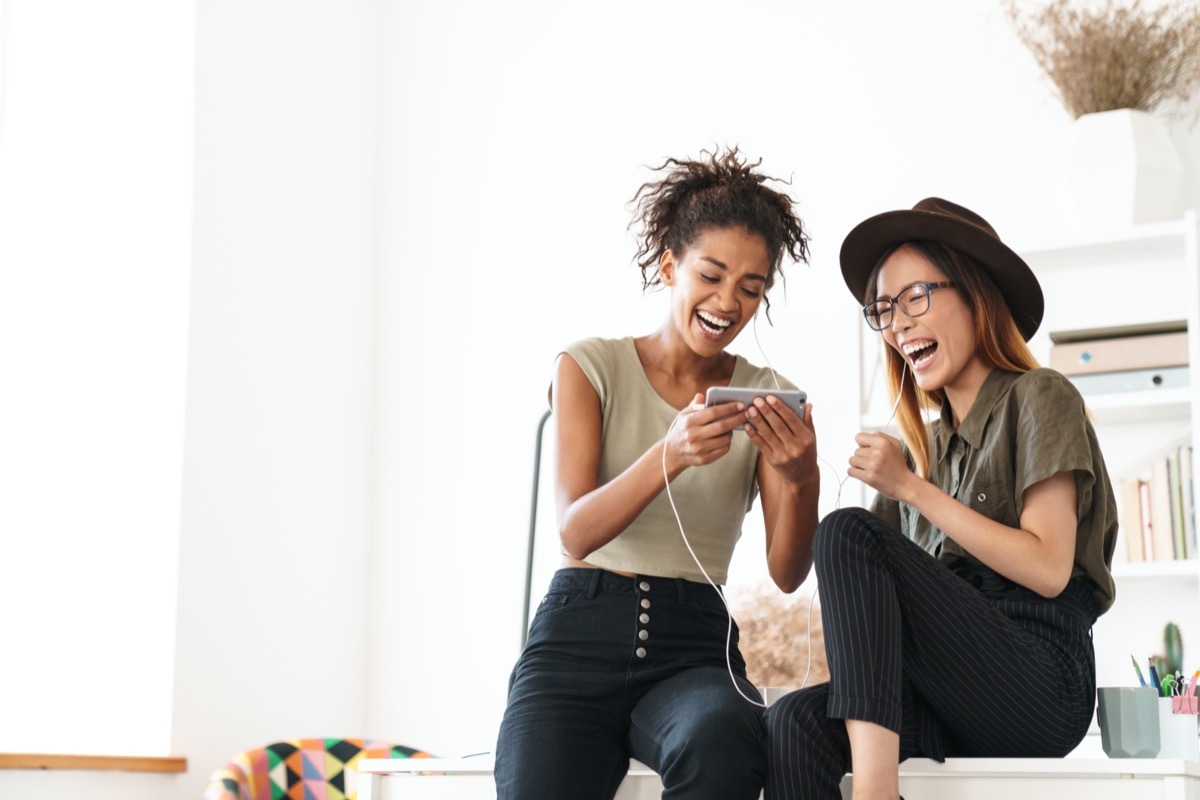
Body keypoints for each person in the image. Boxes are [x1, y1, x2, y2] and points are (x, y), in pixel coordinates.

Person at [494, 147, 821, 800]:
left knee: (725, 743)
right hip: (575, 637)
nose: (728, 301)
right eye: (712, 274)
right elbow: (575, 534)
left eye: (751, 288)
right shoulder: (589, 368)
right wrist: (668, 455)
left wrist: (801, 471)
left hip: (692, 649)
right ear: (671, 266)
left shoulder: (769, 395)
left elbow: (787, 573)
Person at [765, 198, 1118, 800]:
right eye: (885, 308)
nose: (899, 323)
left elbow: (1049, 568)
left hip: (1039, 681)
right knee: (790, 723)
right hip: (946, 686)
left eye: (916, 296)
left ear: (976, 295)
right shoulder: (923, 448)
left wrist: (909, 488)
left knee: (846, 532)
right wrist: (800, 474)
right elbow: (866, 599)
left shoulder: (1038, 396)